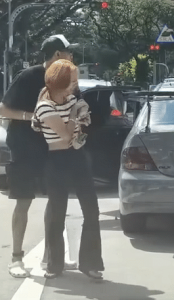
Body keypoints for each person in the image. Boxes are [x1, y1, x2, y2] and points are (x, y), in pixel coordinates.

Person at [0, 34, 78, 278]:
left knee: (56, 202)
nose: (71, 56)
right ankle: (16, 258)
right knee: (23, 201)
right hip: (24, 149)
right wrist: (31, 117)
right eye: (68, 52)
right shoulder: (29, 76)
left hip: (54, 150)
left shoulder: (67, 78)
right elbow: (3, 108)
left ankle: (52, 258)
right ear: (56, 54)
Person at [34, 59, 104, 279]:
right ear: (59, 83)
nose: (76, 85)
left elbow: (79, 126)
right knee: (57, 213)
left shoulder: (72, 98)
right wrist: (75, 112)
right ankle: (54, 265)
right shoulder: (44, 107)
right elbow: (64, 134)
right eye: (72, 81)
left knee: (92, 210)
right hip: (57, 161)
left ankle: (91, 264)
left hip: (78, 156)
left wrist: (82, 113)